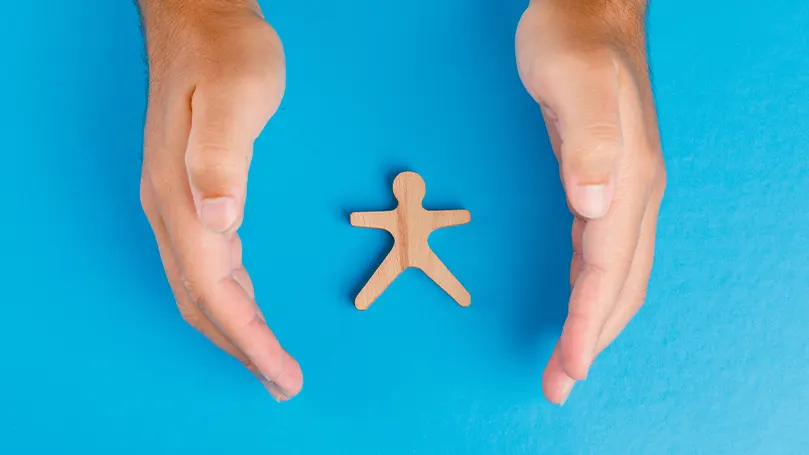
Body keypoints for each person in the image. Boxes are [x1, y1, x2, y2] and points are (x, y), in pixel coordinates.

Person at [136, 0, 666, 405]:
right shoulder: (399, 208)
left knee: (420, 273)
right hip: (407, 243)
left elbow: (423, 217)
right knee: (400, 275)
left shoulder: (407, 208)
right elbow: (390, 217)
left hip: (414, 242)